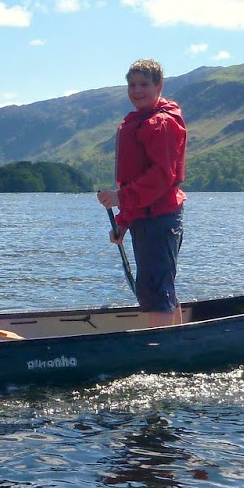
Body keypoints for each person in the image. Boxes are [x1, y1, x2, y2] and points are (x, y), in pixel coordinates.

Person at [96, 58, 186, 328]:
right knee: (161, 283)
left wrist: (121, 198)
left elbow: (161, 177)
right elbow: (138, 182)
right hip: (145, 216)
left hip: (160, 216)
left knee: (156, 287)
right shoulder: (138, 120)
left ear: (159, 85)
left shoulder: (162, 123)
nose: (137, 90)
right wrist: (123, 222)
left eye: (144, 84)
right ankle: (177, 339)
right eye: (132, 84)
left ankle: (161, 350)